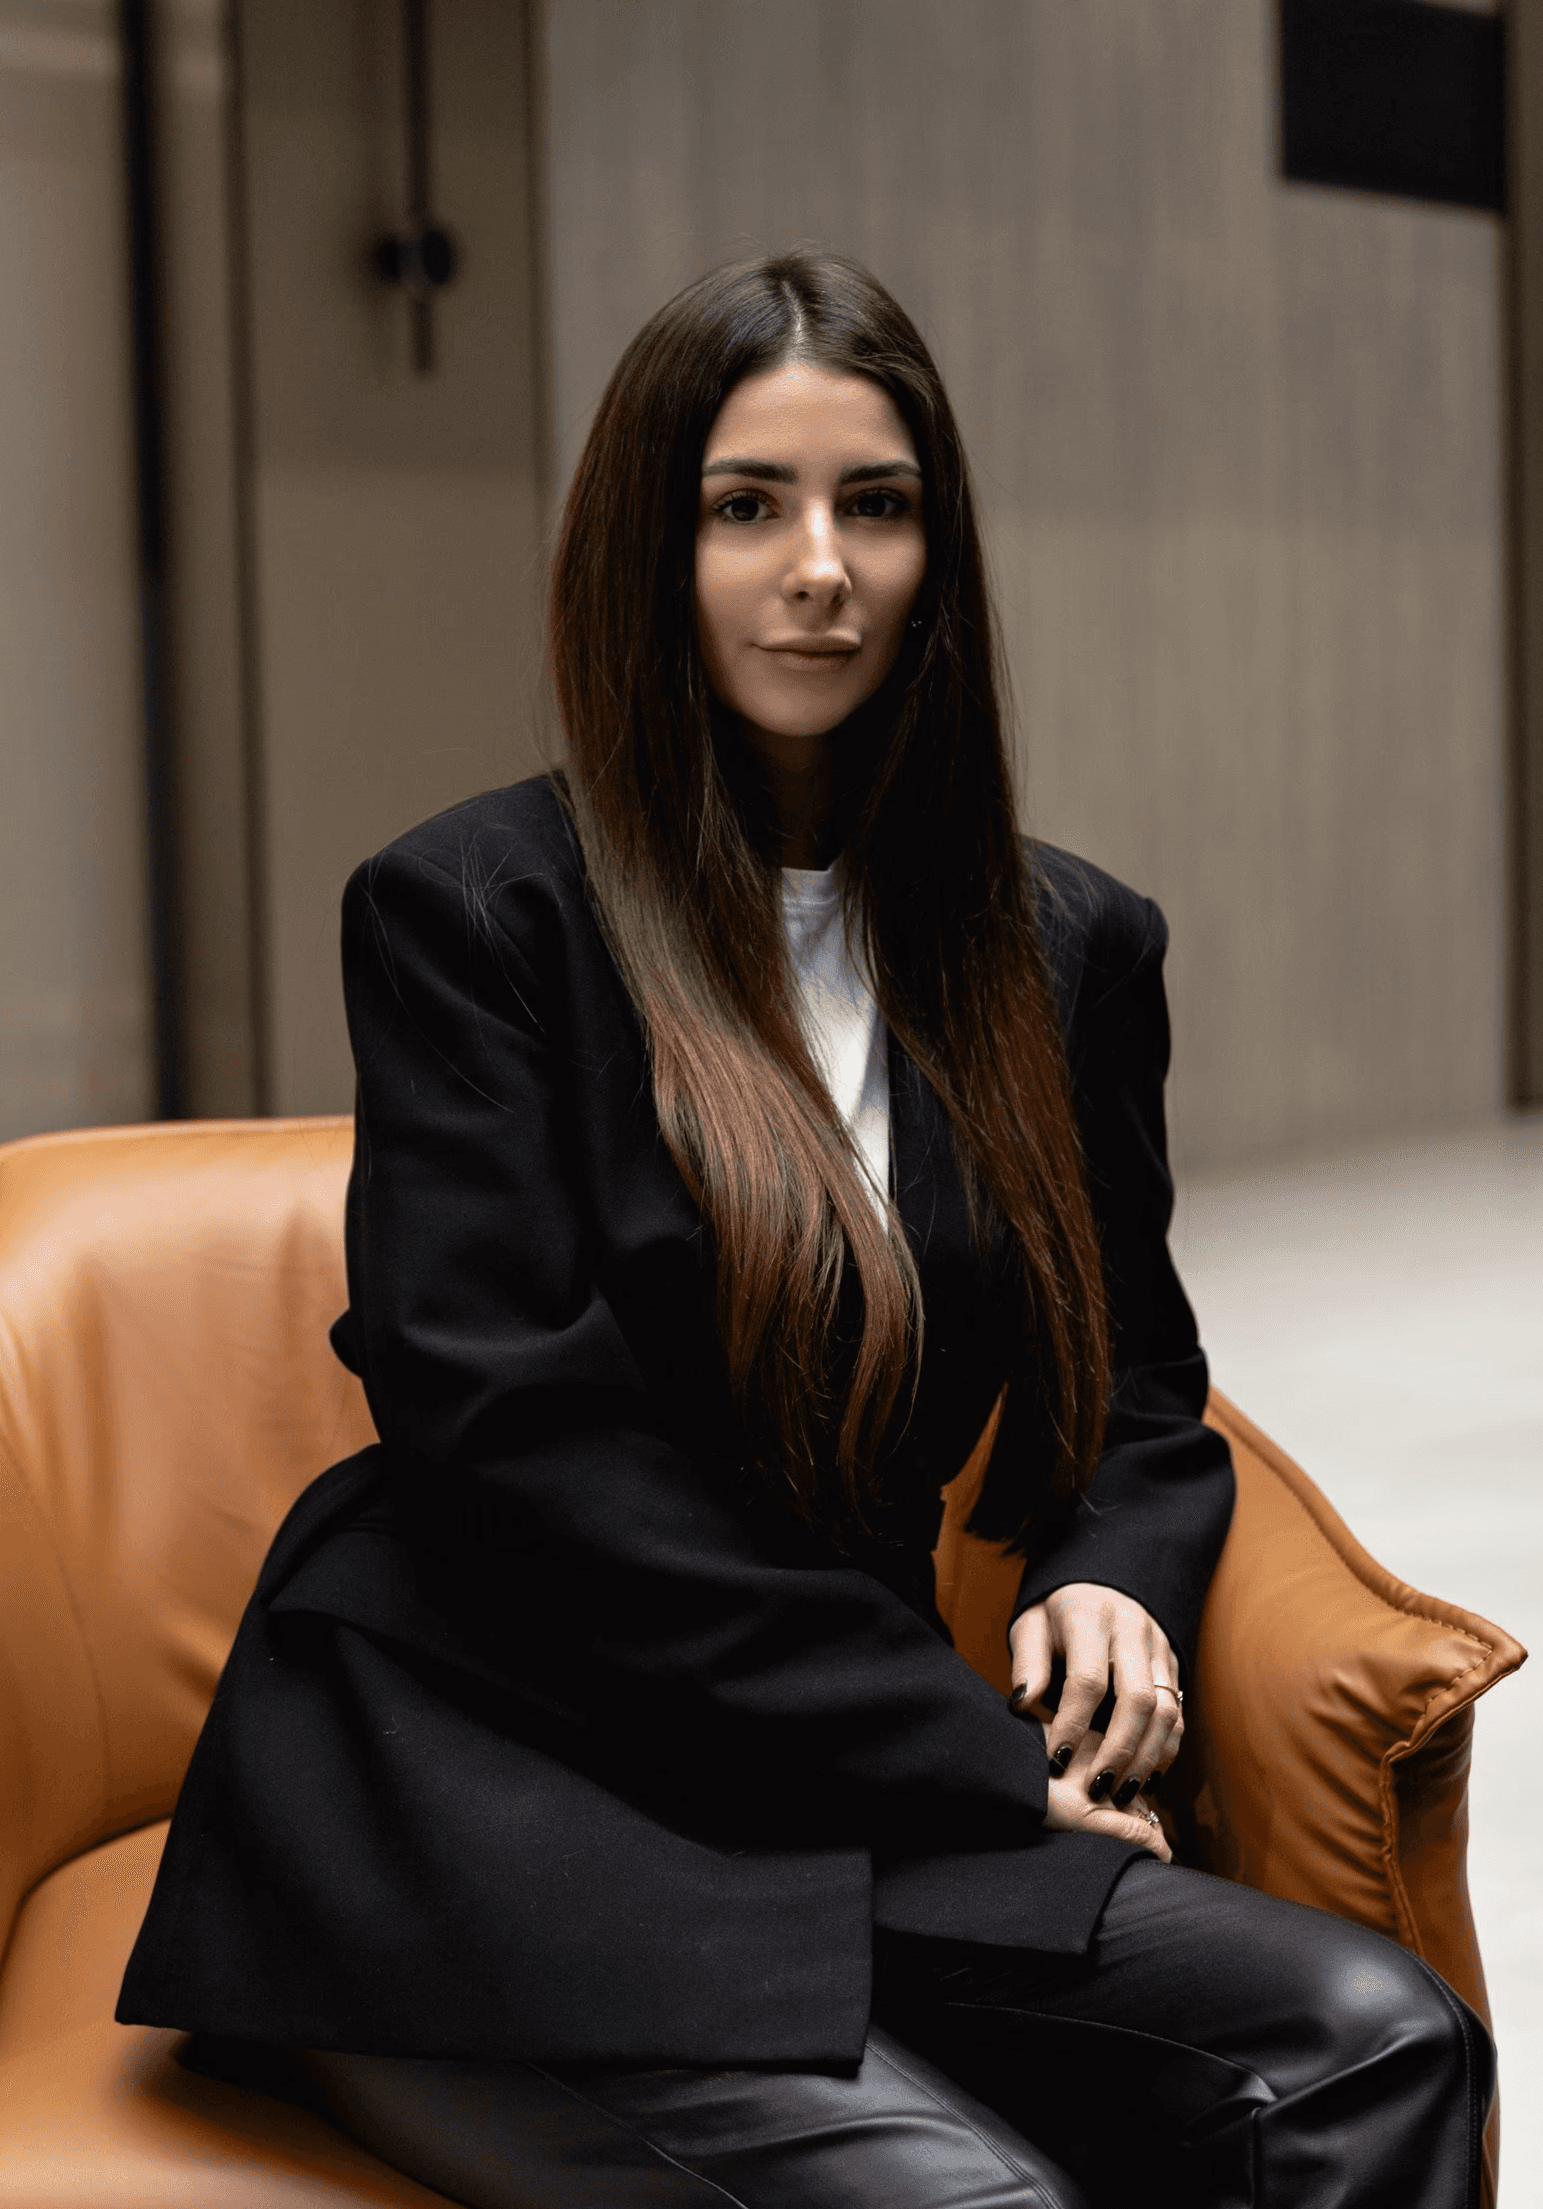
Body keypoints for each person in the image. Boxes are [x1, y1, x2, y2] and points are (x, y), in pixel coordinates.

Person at [118, 251, 1493, 2208]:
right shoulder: (474, 913)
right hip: (496, 1771)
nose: (818, 565)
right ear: (646, 547)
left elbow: (1141, 1385)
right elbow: (520, 1460)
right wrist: (969, 1749)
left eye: (878, 502)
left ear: (943, 552)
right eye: (745, 504)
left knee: (1379, 2043)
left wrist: (1116, 1572)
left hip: (841, 1781)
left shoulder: (1067, 945)